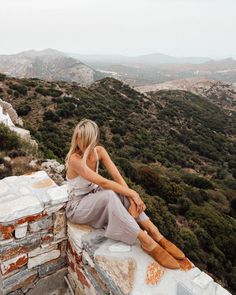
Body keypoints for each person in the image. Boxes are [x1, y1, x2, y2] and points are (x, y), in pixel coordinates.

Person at [65, 118, 185, 269]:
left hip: (93, 196)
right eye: (78, 137)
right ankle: (146, 242)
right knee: (109, 193)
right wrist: (135, 194)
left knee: (119, 190)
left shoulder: (99, 151)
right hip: (77, 206)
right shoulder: (74, 159)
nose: (80, 142)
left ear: (93, 139)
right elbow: (104, 182)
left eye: (85, 138)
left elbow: (117, 177)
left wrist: (131, 197)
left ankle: (155, 233)